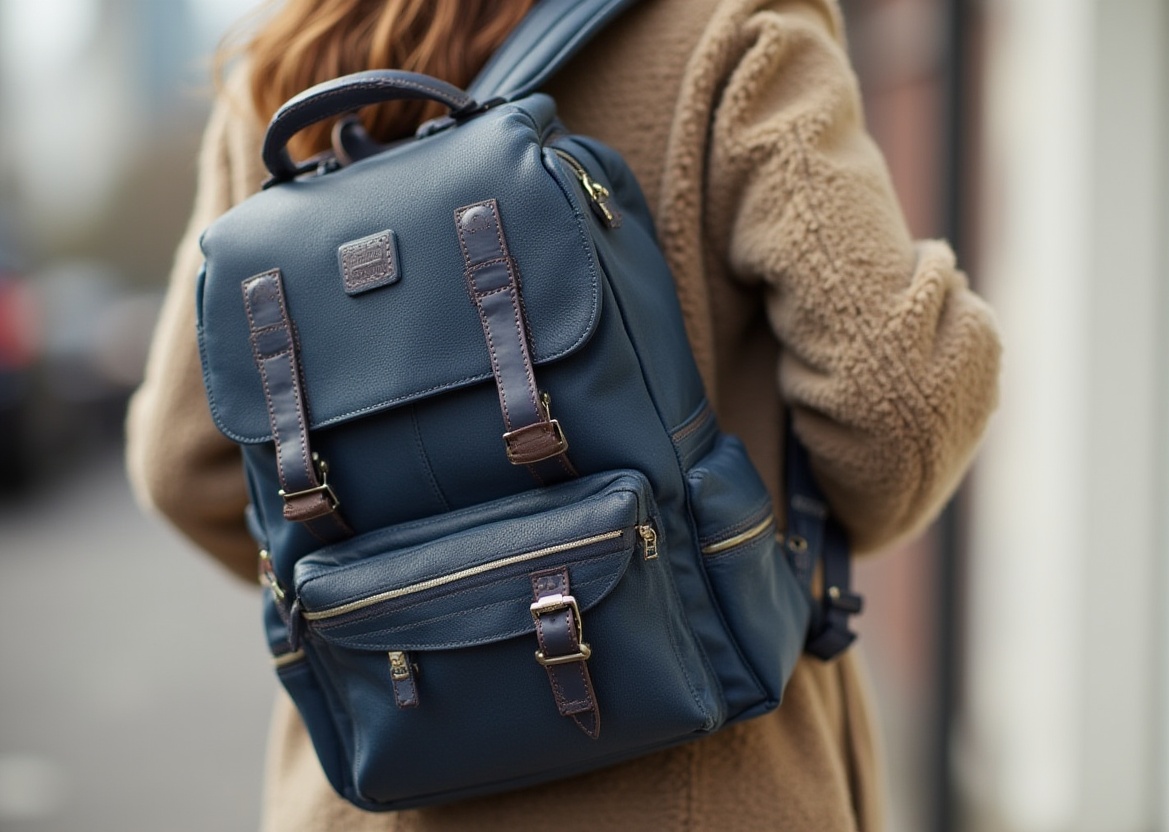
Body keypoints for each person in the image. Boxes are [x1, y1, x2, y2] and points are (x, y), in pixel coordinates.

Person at [127, 0, 1001, 829]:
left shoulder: (286, 71)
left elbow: (184, 465)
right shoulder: (732, 27)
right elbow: (898, 412)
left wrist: (413, 592)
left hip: (389, 766)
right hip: (704, 780)